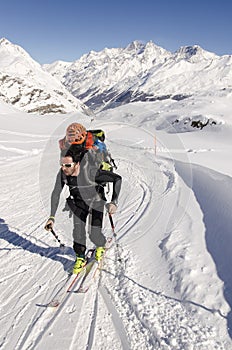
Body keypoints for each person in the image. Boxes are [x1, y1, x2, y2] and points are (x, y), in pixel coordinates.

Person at [44, 145, 122, 274]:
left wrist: (113, 202)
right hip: (78, 203)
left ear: (77, 163)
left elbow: (117, 179)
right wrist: (52, 217)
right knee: (78, 233)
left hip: (96, 202)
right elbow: (56, 192)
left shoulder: (91, 172)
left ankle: (100, 246)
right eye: (61, 164)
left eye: (68, 165)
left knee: (94, 234)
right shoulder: (63, 174)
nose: (64, 168)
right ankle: (80, 257)